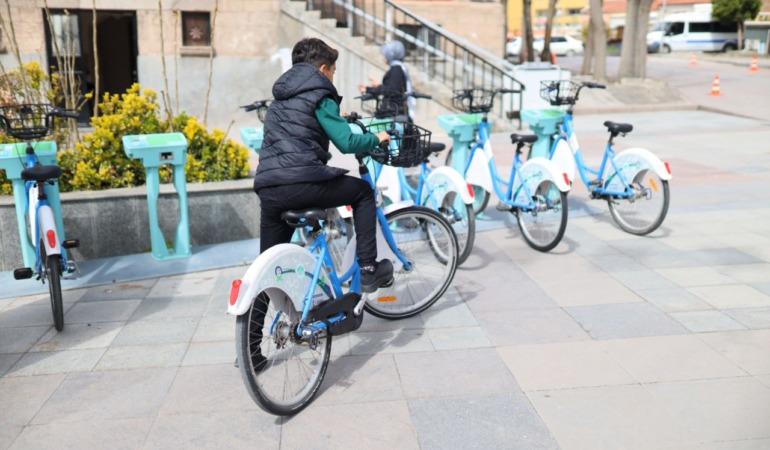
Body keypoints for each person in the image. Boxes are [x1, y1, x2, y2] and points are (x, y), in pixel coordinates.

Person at [254, 37, 394, 294]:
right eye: (333, 71)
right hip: (302, 182)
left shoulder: (280, 99)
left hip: (269, 188)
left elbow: (297, 127)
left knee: (266, 269)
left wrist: (330, 118)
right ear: (322, 69)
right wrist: (377, 137)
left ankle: (251, 330)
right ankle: (368, 269)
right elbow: (347, 141)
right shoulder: (321, 93)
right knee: (363, 193)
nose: (332, 78)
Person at [358, 40, 415, 120]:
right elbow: (392, 88)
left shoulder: (396, 70)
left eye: (386, 54)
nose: (384, 57)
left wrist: (368, 89)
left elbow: (391, 90)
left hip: (392, 111)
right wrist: (376, 86)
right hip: (394, 110)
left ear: (391, 54)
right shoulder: (398, 68)